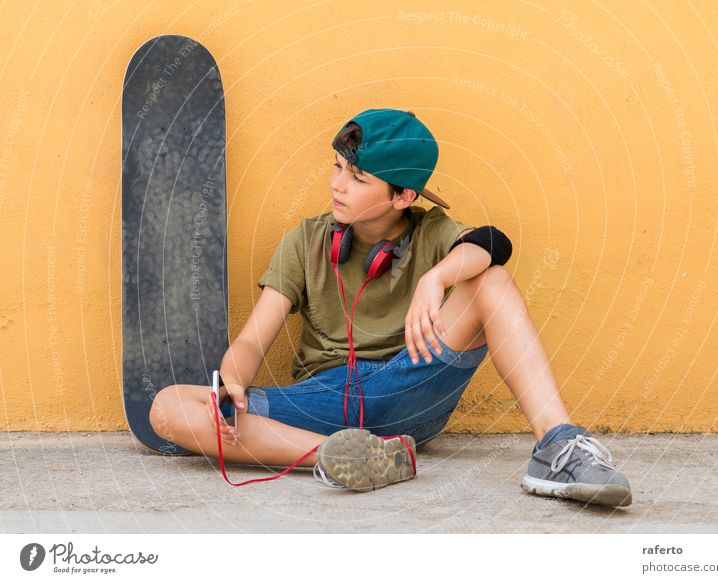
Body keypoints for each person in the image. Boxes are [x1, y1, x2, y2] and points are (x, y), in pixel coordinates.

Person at [150, 108, 632, 507]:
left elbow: (493, 243)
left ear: (403, 196)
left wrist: (436, 277)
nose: (339, 184)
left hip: (411, 381)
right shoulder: (307, 240)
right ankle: (355, 457)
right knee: (168, 409)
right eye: (337, 167)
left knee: (493, 281)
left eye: (358, 177)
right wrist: (232, 381)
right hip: (324, 399)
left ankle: (558, 444)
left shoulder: (432, 232)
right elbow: (254, 338)